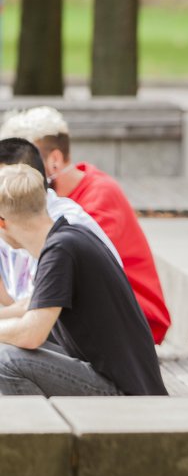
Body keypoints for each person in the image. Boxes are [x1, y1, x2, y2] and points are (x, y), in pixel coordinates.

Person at [0, 107, 171, 344]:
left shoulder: (84, 210)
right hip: (66, 319)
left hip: (125, 322)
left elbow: (58, 292)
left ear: (52, 161)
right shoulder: (45, 212)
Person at [0, 163, 166, 396]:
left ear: (2, 222)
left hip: (126, 393)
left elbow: (31, 334)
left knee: (5, 360)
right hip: (116, 379)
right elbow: (29, 308)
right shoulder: (68, 237)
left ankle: (38, 421)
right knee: (9, 342)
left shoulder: (61, 250)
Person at [0, 138, 122, 304]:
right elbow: (20, 301)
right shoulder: (14, 221)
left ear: (28, 180)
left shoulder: (63, 230)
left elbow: (37, 314)